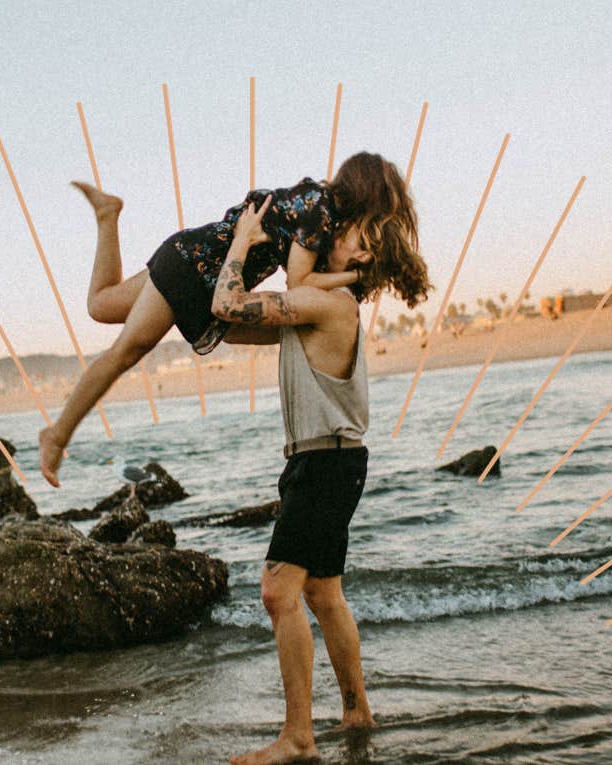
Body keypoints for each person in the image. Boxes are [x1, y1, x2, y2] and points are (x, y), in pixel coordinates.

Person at [39, 152, 427, 487]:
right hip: (196, 268)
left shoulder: (318, 204)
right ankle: (56, 437)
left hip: (196, 254)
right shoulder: (320, 210)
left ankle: (108, 215)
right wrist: (359, 276)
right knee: (125, 351)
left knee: (102, 304)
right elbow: (299, 282)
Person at [215, 196, 431, 765]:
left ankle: (298, 739)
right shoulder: (318, 307)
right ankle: (357, 711)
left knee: (277, 591)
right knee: (324, 593)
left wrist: (242, 240)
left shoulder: (330, 302)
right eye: (355, 235)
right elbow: (228, 324)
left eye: (364, 244)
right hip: (325, 462)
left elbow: (228, 303)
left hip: (326, 462)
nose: (352, 243)